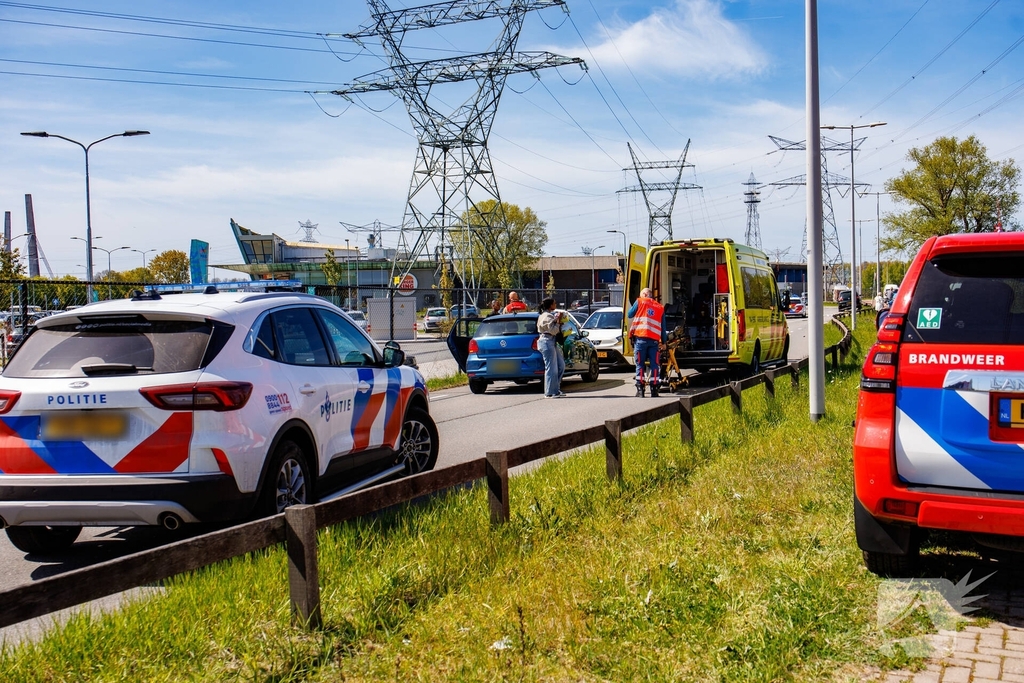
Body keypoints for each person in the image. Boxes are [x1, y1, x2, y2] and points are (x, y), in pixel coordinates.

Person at [628, 287, 666, 398]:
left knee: (640, 365)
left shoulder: (640, 301)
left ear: (644, 294)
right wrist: (664, 342)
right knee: (655, 365)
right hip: (654, 342)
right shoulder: (660, 307)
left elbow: (629, 314)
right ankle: (654, 390)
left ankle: (640, 390)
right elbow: (663, 328)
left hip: (640, 340)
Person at [537, 297, 566, 398]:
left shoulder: (547, 315)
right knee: (551, 368)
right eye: (554, 303)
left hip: (551, 341)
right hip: (547, 341)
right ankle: (550, 392)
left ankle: (555, 389)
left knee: (561, 365)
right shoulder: (546, 316)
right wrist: (558, 322)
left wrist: (557, 321)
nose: (556, 304)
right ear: (550, 305)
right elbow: (553, 331)